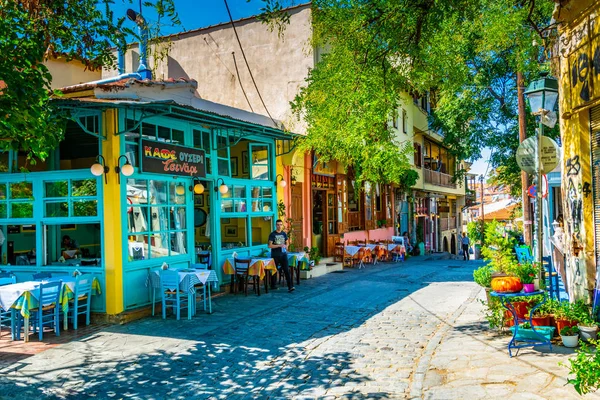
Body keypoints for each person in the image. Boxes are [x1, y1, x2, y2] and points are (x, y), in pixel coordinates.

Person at [268, 219, 294, 292]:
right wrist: (279, 245)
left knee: (286, 270)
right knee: (274, 270)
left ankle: (290, 286)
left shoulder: (284, 234)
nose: (279, 226)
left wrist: (286, 246)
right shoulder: (272, 234)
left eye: (280, 225)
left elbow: (287, 243)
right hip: (275, 255)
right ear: (276, 225)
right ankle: (273, 285)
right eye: (278, 225)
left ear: (282, 225)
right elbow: (269, 245)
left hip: (283, 255)